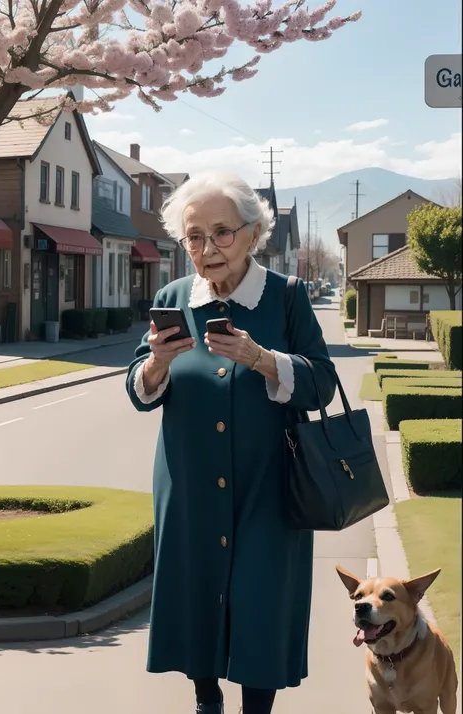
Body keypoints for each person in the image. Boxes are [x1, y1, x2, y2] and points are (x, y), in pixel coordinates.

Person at [126, 172, 337, 714]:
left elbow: (321, 382)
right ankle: (205, 701)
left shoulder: (286, 297)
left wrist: (261, 359)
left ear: (253, 233)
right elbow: (139, 390)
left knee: (260, 604)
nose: (206, 248)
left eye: (221, 233)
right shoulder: (172, 296)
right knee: (196, 598)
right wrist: (158, 362)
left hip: (270, 489)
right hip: (191, 489)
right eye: (194, 236)